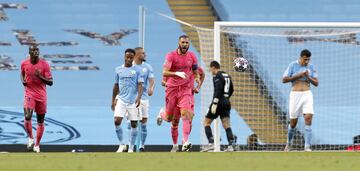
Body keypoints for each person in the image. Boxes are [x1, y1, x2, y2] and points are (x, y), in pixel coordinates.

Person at [158, 35, 200, 152]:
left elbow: (196, 71)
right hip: (172, 89)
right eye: (183, 42)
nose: (185, 45)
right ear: (179, 43)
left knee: (186, 114)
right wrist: (176, 73)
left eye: (187, 43)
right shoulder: (171, 55)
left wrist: (197, 78)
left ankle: (185, 141)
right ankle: (162, 113)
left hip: (186, 89)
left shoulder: (192, 56)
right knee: (170, 119)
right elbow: (165, 72)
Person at [282, 49, 319, 152]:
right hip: (295, 94)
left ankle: (307, 146)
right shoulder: (292, 65)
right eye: (305, 59)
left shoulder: (311, 67)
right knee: (293, 123)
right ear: (301, 57)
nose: (307, 62)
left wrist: (307, 77)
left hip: (307, 93)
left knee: (308, 118)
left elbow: (316, 83)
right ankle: (288, 144)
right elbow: (284, 79)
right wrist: (299, 75)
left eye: (308, 60)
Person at [21, 45, 53, 153]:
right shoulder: (24, 63)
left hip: (41, 96)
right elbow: (22, 73)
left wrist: (40, 76)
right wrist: (23, 81)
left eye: (37, 50)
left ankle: (37, 145)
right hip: (29, 93)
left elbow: (51, 82)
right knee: (27, 116)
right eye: (33, 50)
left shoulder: (45, 65)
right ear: (29, 52)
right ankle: (30, 138)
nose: (36, 51)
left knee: (40, 121)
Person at [111, 48, 143, 153]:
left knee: (134, 124)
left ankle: (131, 147)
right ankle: (121, 144)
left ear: (133, 57)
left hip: (133, 101)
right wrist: (113, 100)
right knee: (116, 121)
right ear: (124, 57)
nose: (129, 59)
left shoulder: (138, 70)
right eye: (127, 57)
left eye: (131, 57)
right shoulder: (118, 70)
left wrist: (139, 97)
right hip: (121, 100)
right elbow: (115, 85)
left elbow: (140, 85)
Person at [202, 61, 237, 152]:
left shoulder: (217, 76)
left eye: (211, 69)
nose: (211, 71)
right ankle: (231, 145)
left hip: (218, 102)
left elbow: (218, 90)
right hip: (226, 102)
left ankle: (211, 142)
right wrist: (226, 98)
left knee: (206, 122)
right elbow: (232, 89)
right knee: (226, 124)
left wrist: (215, 103)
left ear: (213, 67)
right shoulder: (227, 75)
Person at [129, 47, 155, 152]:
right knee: (132, 123)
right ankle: (130, 146)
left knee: (144, 123)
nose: (145, 55)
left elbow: (152, 80)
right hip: (131, 99)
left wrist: (151, 88)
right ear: (137, 55)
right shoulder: (129, 67)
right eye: (143, 53)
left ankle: (142, 145)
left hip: (144, 98)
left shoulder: (147, 67)